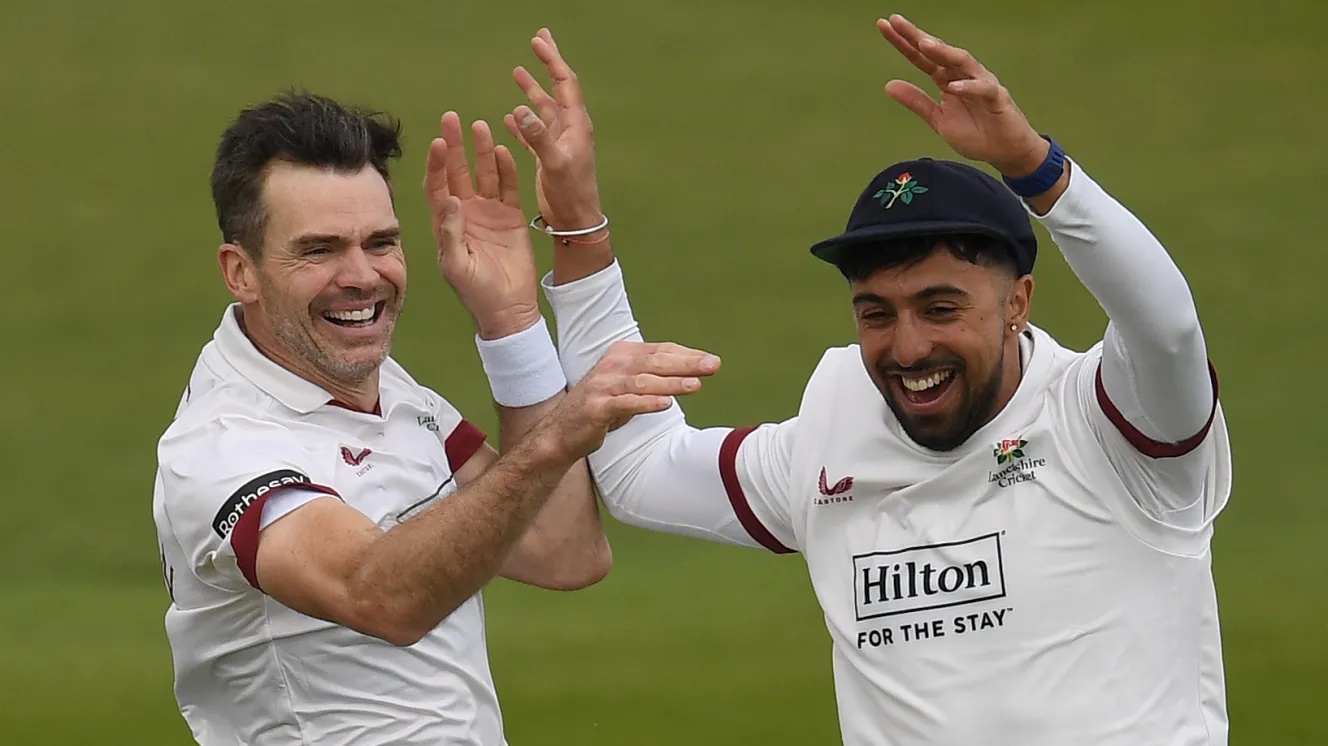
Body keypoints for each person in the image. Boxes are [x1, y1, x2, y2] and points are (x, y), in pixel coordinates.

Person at [506, 18, 1232, 746]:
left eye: (940, 308)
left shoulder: (1116, 423)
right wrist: (579, 233)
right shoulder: (836, 427)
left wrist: (1037, 170)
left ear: (1017, 302)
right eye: (876, 313)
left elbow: (1167, 328)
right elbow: (641, 471)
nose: (908, 348)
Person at [151, 90, 716, 744]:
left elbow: (563, 552)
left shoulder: (382, 387)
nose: (362, 275)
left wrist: (512, 326)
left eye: (381, 242)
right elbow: (381, 597)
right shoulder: (222, 447)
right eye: (320, 250)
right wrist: (558, 437)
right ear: (240, 272)